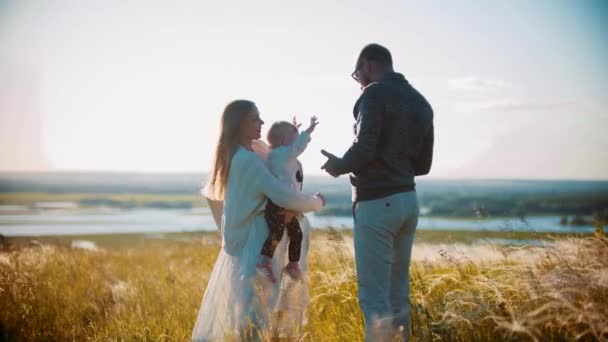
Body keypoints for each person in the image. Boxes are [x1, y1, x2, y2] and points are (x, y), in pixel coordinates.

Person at [321, 43, 434, 341]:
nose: (358, 81)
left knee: (374, 298)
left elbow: (365, 146)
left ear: (368, 65)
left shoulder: (373, 93)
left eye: (357, 74)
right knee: (399, 294)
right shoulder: (421, 102)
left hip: (376, 204)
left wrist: (339, 165)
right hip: (408, 201)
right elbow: (423, 165)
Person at [191, 100, 325, 341]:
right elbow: (282, 194)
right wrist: (317, 202)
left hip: (252, 248)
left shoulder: (244, 154)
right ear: (240, 123)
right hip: (257, 250)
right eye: (255, 118)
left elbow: (274, 155)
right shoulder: (248, 161)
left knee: (252, 319)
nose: (262, 122)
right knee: (255, 322)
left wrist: (293, 136)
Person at [257, 116, 319, 283]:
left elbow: (294, 148)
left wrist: (296, 132)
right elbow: (297, 147)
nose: (297, 140)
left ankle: (292, 264)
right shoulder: (278, 155)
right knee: (276, 231)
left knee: (296, 233)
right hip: (277, 204)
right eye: (294, 137)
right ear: (284, 141)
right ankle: (264, 261)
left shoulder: (285, 156)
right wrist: (307, 132)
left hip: (287, 203)